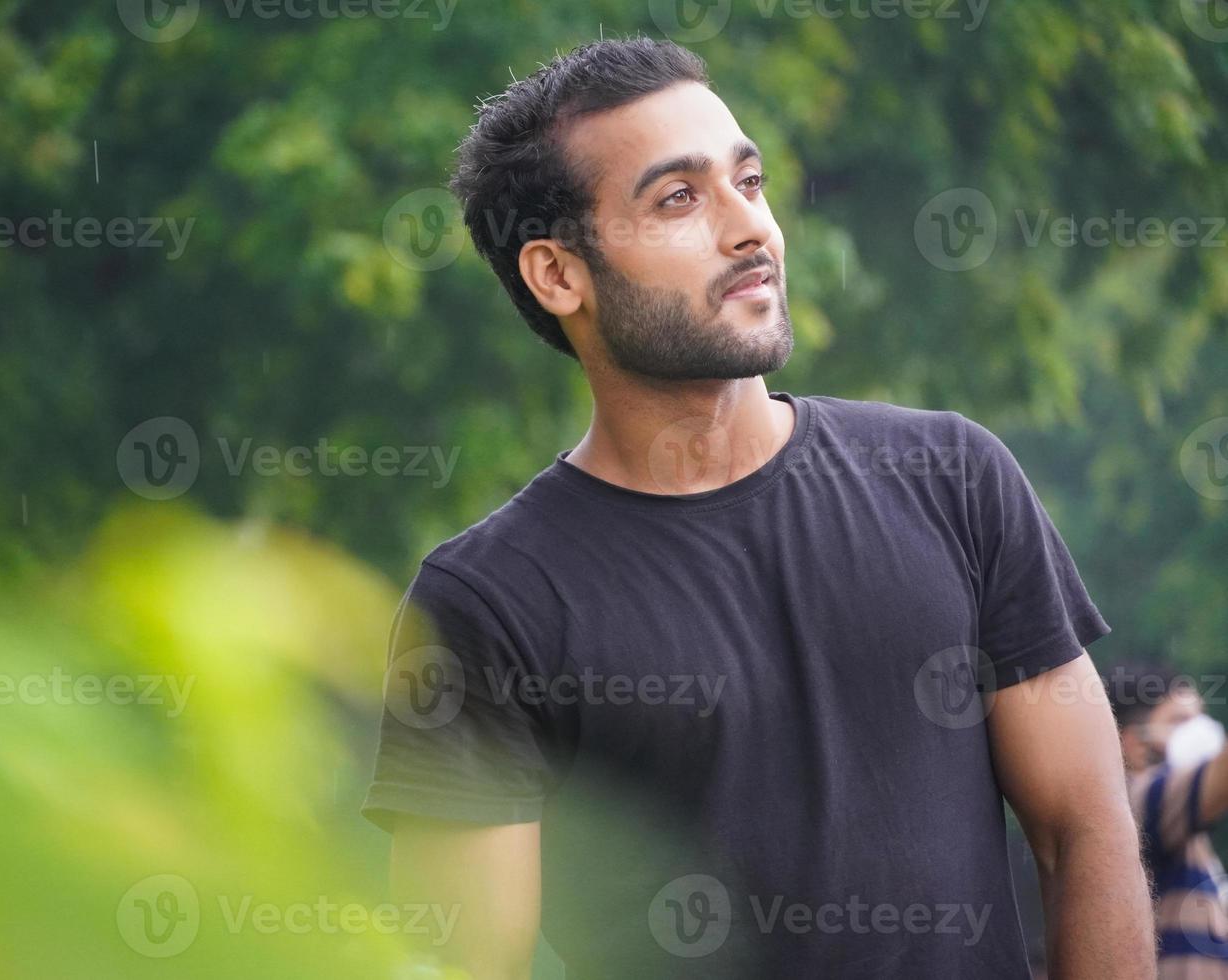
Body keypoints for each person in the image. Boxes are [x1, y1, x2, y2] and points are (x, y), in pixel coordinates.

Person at [362, 36, 1154, 979]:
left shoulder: (953, 477)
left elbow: (1087, 831)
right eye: (679, 199)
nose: (752, 229)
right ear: (558, 275)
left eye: (750, 180)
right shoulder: (483, 605)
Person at [1108, 662, 1228, 977]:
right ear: (1132, 743)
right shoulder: (1135, 804)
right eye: (1180, 721)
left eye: (1201, 716)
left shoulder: (1187, 834)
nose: (1201, 730)